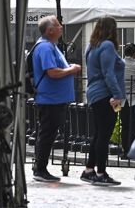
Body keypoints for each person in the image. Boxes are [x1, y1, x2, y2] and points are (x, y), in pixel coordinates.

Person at [31, 15, 82, 183]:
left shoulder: (51, 46)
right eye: (58, 25)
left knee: (49, 134)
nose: (61, 27)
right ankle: (40, 169)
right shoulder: (45, 47)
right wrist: (72, 69)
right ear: (50, 30)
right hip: (49, 100)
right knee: (47, 134)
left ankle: (41, 168)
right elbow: (52, 72)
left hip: (54, 99)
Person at [81, 16, 125, 186]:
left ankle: (89, 170)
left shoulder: (92, 46)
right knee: (103, 136)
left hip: (94, 94)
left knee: (99, 134)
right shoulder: (107, 46)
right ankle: (101, 173)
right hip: (106, 95)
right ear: (111, 29)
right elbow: (109, 73)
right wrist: (117, 95)